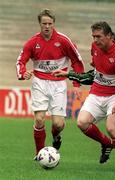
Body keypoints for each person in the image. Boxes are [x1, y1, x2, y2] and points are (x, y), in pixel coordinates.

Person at [54, 21, 115, 171]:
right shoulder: (95, 48)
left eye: (98, 36)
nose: (95, 40)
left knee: (112, 128)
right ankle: (106, 143)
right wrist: (69, 74)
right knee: (82, 122)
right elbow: (95, 72)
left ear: (109, 36)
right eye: (93, 37)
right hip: (97, 92)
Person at [16, 9, 84, 158]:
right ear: (39, 24)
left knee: (58, 124)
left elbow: (77, 62)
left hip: (59, 84)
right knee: (39, 119)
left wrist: (77, 85)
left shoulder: (64, 41)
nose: (47, 26)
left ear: (53, 24)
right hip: (39, 82)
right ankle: (39, 153)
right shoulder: (32, 42)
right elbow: (21, 61)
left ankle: (56, 136)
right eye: (44, 23)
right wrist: (23, 73)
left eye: (50, 23)